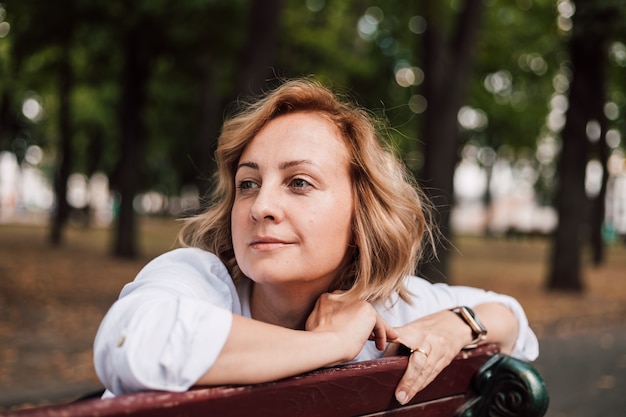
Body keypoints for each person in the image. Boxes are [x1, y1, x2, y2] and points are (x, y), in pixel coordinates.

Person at [94, 78, 538, 405]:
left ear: (362, 210)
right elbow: (130, 345)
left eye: (299, 182)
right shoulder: (197, 280)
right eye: (248, 183)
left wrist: (456, 323)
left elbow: (511, 318)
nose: (261, 205)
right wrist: (332, 346)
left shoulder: (389, 311)